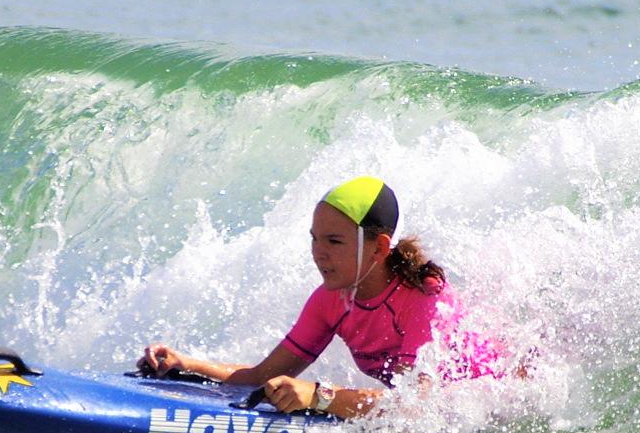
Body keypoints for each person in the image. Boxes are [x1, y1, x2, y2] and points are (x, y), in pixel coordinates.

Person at [136, 176, 502, 419]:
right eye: (314, 238)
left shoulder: (424, 300)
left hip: (496, 405)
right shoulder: (331, 300)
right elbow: (262, 374)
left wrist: (319, 396)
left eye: (334, 241)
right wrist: (187, 365)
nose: (318, 253)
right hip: (434, 411)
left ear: (379, 248)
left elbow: (416, 408)